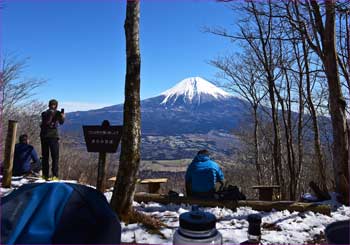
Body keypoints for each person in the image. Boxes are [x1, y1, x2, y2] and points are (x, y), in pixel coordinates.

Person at [40, 99, 65, 180]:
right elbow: (46, 122)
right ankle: (48, 175)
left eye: (54, 105)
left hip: (50, 136)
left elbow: (61, 122)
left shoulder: (57, 113)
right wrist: (52, 114)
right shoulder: (45, 113)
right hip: (48, 137)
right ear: (49, 105)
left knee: (52, 157)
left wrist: (62, 117)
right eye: (52, 104)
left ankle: (52, 175)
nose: (53, 106)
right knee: (48, 157)